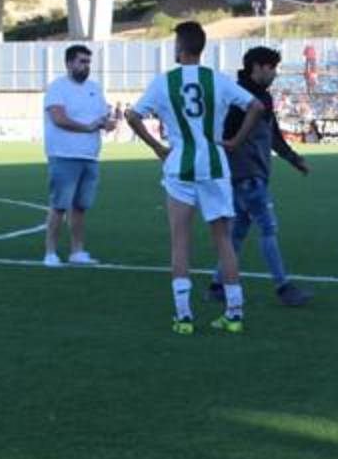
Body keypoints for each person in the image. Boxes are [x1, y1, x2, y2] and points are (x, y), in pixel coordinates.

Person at [124, 21, 265, 335]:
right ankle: (234, 313)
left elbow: (132, 115)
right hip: (215, 164)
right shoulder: (218, 80)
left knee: (180, 242)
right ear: (201, 48)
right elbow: (256, 107)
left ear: (180, 47)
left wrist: (157, 147)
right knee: (223, 241)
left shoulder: (164, 82)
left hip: (180, 166)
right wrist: (236, 141)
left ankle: (184, 316)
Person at [206, 46, 313, 307]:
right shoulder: (241, 97)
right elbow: (227, 135)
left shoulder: (262, 96)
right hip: (247, 175)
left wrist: (293, 158)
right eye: (272, 68)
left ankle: (217, 284)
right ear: (258, 67)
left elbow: (272, 134)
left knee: (238, 232)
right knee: (267, 228)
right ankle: (283, 286)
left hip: (248, 173)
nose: (275, 74)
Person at [42, 44, 115, 267]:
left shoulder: (95, 87)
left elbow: (103, 116)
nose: (86, 66)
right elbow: (58, 118)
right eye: (82, 61)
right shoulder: (57, 87)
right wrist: (88, 127)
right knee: (59, 205)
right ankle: (50, 253)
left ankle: (77, 251)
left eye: (88, 62)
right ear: (69, 63)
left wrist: (107, 123)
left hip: (90, 156)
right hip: (64, 154)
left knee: (81, 207)